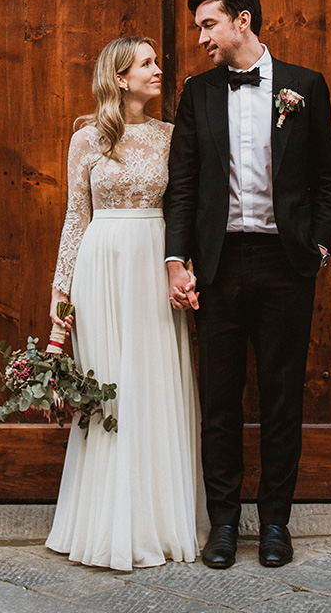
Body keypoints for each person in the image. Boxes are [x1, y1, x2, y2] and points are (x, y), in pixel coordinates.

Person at [165, 0, 331, 569]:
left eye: (208, 25)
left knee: (282, 395)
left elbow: (325, 182)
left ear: (242, 21)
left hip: (285, 264)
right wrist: (176, 258)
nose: (201, 37)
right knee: (219, 400)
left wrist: (317, 247)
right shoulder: (199, 93)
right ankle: (222, 523)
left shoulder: (305, 86)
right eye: (198, 28)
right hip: (218, 265)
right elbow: (183, 185)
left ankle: (274, 523)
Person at [45, 37, 205, 571]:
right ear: (119, 78)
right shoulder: (87, 138)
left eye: (156, 62)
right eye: (146, 64)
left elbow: (186, 207)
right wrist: (61, 291)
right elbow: (76, 216)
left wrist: (184, 267)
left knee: (155, 383)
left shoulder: (169, 136)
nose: (158, 71)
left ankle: (158, 520)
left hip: (154, 264)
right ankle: (106, 521)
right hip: (103, 266)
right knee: (110, 386)